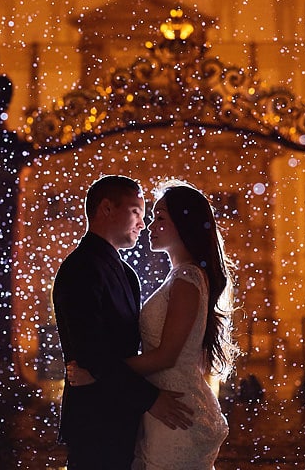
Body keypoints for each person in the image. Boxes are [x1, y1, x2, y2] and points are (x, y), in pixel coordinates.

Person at [67, 179, 238, 469]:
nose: (149, 225)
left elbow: (167, 355)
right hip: (159, 405)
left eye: (160, 218)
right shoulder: (178, 277)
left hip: (172, 405)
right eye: (149, 217)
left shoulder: (187, 279)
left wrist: (98, 373)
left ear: (184, 225)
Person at [52, 175, 194, 469]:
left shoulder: (126, 273)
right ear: (106, 208)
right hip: (94, 420)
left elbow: (124, 349)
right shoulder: (80, 268)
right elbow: (91, 350)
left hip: (124, 415)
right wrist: (151, 399)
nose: (143, 224)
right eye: (136, 212)